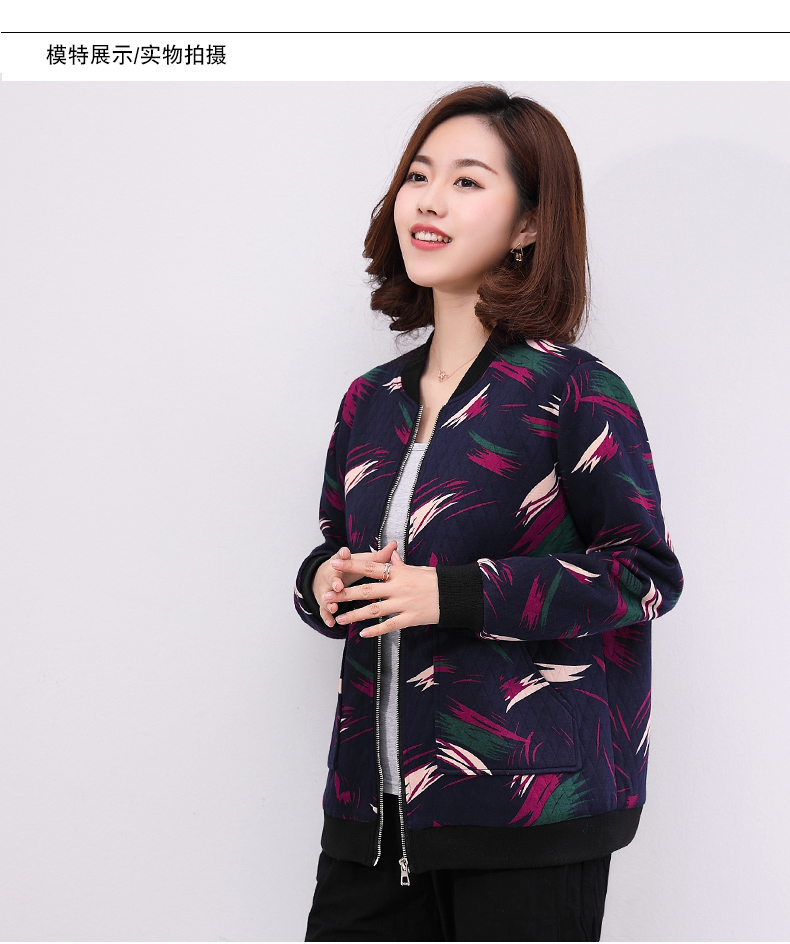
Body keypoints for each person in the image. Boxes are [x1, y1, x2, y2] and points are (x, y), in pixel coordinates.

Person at [293, 84, 683, 942]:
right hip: (372, 816)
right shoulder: (370, 401)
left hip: (528, 815)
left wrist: (450, 594)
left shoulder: (573, 391)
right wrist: (323, 581)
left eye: (467, 181)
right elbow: (332, 547)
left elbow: (643, 577)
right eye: (419, 176)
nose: (429, 200)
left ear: (529, 225)